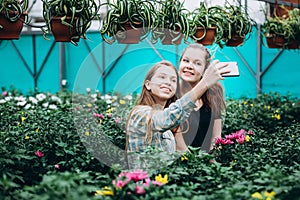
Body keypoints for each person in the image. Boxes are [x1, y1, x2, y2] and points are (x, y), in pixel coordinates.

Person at [126, 59, 229, 169]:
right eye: (162, 77)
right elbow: (166, 118)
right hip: (145, 185)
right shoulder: (139, 114)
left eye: (173, 80)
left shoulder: (168, 131)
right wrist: (204, 83)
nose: (168, 82)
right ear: (148, 84)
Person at [176, 43, 226, 152]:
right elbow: (177, 144)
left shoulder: (214, 92)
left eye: (197, 63)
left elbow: (216, 138)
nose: (189, 66)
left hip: (206, 163)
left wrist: (211, 164)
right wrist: (194, 165)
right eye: (185, 60)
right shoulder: (172, 93)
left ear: (205, 70)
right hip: (178, 163)